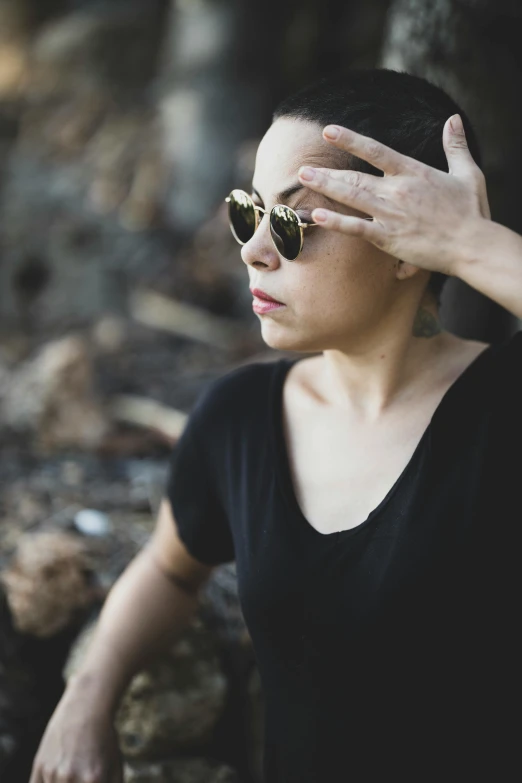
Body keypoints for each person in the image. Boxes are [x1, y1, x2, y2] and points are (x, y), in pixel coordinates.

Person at [30, 69, 522, 783]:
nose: (253, 248)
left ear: (407, 247)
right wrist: (89, 692)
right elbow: (171, 566)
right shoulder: (239, 419)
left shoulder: (501, 408)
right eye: (247, 211)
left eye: (292, 222)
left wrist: (472, 242)